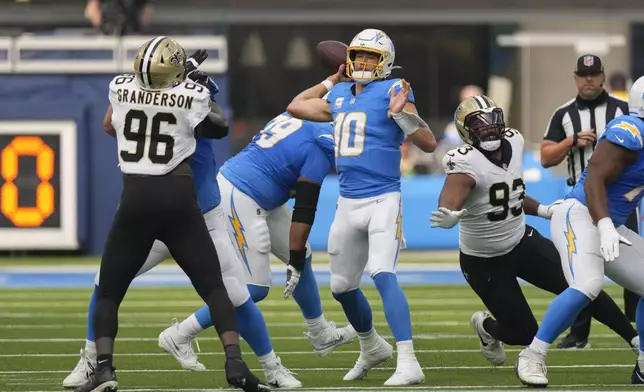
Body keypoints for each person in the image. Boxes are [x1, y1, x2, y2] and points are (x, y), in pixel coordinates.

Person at [63, 56, 300, 389]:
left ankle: (272, 366)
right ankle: (89, 361)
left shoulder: (172, 98)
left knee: (234, 293)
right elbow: (214, 120)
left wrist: (194, 85)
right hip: (170, 213)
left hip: (197, 215)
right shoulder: (181, 99)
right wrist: (195, 86)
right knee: (107, 281)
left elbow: (202, 121)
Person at [429, 94, 639, 369]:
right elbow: (453, 194)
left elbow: (512, 192)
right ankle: (487, 327)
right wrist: (449, 212)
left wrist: (543, 210)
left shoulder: (514, 141)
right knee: (524, 332)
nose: (489, 129)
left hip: (522, 242)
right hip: (484, 261)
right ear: (466, 132)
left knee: (583, 286)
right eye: (480, 125)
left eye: (493, 122)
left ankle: (634, 340)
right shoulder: (464, 161)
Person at [287, 28, 437, 386]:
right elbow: (294, 106)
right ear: (349, 60)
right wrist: (329, 80)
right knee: (341, 287)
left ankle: (409, 360)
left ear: (385, 62)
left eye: (373, 56)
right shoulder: (339, 93)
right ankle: (372, 346)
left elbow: (429, 143)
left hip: (384, 197)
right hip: (347, 201)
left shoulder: (394, 89)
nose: (365, 62)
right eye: (360, 55)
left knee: (382, 272)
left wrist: (402, 116)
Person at [163, 111, 357, 369]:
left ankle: (320, 332)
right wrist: (294, 256)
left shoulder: (305, 116)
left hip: (260, 193)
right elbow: (305, 208)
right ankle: (180, 334)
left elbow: (297, 104)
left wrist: (296, 256)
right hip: (240, 194)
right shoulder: (320, 149)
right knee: (254, 288)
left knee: (302, 254)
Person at [516, 75, 644, 387]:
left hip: (609, 223)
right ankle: (533, 355)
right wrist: (604, 226)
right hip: (582, 215)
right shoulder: (631, 130)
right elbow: (594, 180)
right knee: (587, 283)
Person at [540, 54, 637, 349]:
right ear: (575, 77)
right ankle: (578, 332)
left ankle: (635, 330)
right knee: (583, 273)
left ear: (603, 76)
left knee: (632, 266)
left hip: (620, 202)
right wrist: (570, 142)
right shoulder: (564, 114)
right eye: (584, 74)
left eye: (594, 74)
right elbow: (545, 156)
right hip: (580, 200)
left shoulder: (623, 110)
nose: (589, 79)